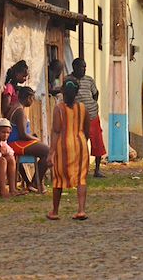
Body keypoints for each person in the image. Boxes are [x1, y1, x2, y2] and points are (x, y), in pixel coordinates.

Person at [47, 76, 90, 221]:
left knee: (58, 179)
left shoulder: (58, 109)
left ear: (63, 91)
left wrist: (51, 153)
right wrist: (83, 141)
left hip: (63, 146)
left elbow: (56, 130)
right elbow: (87, 130)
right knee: (81, 178)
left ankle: (54, 211)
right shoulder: (83, 108)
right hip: (80, 144)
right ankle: (81, 209)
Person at [6, 86, 51, 193]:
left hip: (17, 142)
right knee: (49, 152)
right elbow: (22, 135)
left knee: (45, 150)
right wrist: (36, 139)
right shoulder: (20, 110)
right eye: (32, 98)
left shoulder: (16, 107)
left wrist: (32, 137)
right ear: (28, 98)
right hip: (16, 143)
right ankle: (36, 182)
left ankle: (32, 182)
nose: (33, 101)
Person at [72, 58, 106, 178]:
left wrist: (91, 105)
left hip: (92, 116)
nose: (84, 69)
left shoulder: (89, 80)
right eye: (81, 67)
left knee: (97, 143)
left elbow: (95, 93)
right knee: (79, 144)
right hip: (78, 118)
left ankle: (97, 170)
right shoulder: (69, 80)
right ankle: (78, 170)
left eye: (85, 67)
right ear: (74, 67)